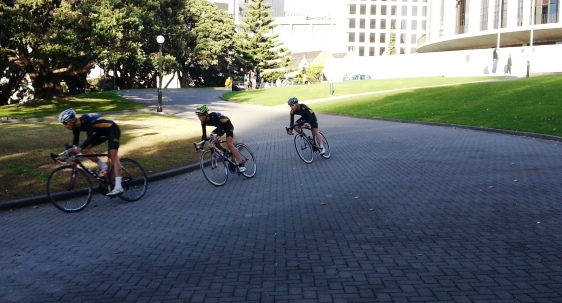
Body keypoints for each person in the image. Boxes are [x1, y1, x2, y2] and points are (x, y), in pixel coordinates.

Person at [58, 108, 124, 195]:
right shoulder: (76, 128)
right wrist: (65, 156)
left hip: (112, 129)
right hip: (101, 132)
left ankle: (119, 187)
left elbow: (90, 137)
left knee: (113, 155)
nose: (65, 126)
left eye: (65, 123)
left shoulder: (85, 119)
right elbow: (75, 146)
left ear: (72, 120)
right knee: (84, 149)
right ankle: (104, 167)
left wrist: (79, 148)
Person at [195, 105, 246, 173]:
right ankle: (225, 152)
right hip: (220, 128)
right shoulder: (203, 122)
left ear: (206, 114)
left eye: (201, 115)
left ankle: (241, 164)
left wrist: (218, 135)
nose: (200, 118)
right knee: (212, 140)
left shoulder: (213, 115)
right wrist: (201, 145)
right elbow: (204, 135)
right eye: (198, 116)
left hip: (227, 125)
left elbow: (219, 125)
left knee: (229, 144)